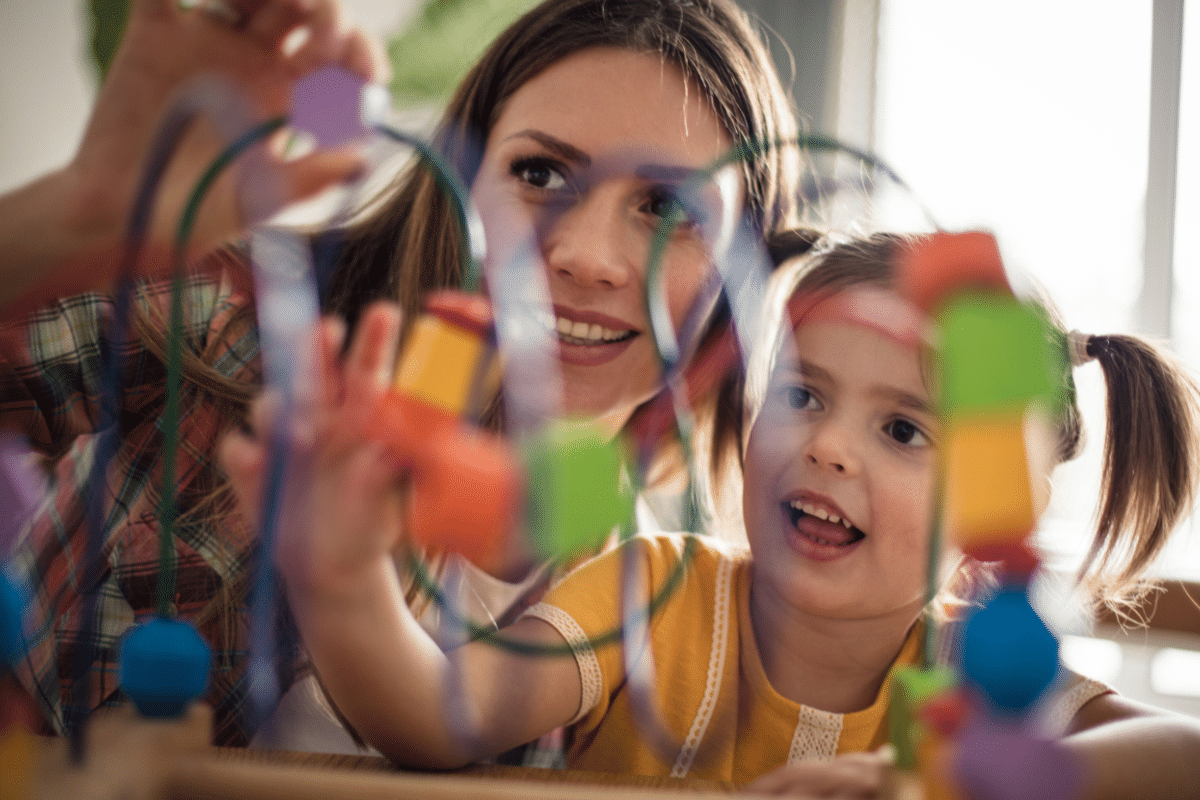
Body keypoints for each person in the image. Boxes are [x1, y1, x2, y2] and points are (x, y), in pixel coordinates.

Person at [0, 0, 803, 747]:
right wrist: (79, 215)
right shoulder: (232, 321)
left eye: (669, 210)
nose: (587, 257)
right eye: (540, 175)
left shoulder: (662, 600)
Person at [220, 231, 1200, 796]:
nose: (827, 445)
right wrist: (341, 579)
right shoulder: (650, 590)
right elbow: (435, 718)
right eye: (802, 394)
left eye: (904, 430)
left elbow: (1181, 749)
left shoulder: (979, 678)